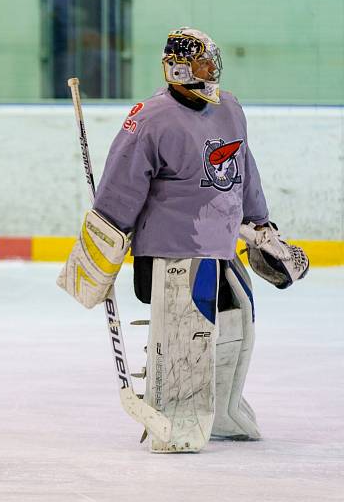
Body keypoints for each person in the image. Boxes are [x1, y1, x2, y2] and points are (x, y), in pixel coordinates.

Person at [58, 27, 308, 453]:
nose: (213, 71)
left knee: (237, 325)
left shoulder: (229, 107)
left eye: (213, 62)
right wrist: (103, 245)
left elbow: (244, 169)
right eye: (204, 64)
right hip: (173, 253)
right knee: (186, 337)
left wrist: (261, 224)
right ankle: (176, 416)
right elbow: (120, 188)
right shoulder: (150, 118)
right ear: (179, 69)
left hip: (222, 245)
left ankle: (224, 411)